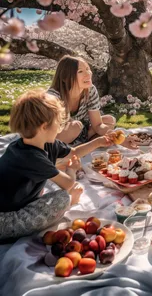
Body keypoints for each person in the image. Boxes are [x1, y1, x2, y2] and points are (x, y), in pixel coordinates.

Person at [0, 89, 113, 240]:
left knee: (51, 196)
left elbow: (73, 153)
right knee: (62, 199)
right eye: (58, 123)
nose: (61, 127)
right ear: (44, 126)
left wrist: (98, 141)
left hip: (19, 202)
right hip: (5, 219)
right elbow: (67, 183)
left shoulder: (45, 142)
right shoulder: (30, 157)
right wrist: (71, 169)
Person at [48, 55, 135, 148]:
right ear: (65, 78)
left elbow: (97, 124)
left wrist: (119, 139)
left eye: (87, 69)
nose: (88, 74)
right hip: (57, 135)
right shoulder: (53, 97)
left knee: (109, 120)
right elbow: (48, 131)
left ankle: (83, 144)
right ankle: (67, 149)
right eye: (80, 71)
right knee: (75, 126)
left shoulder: (90, 90)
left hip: (82, 131)